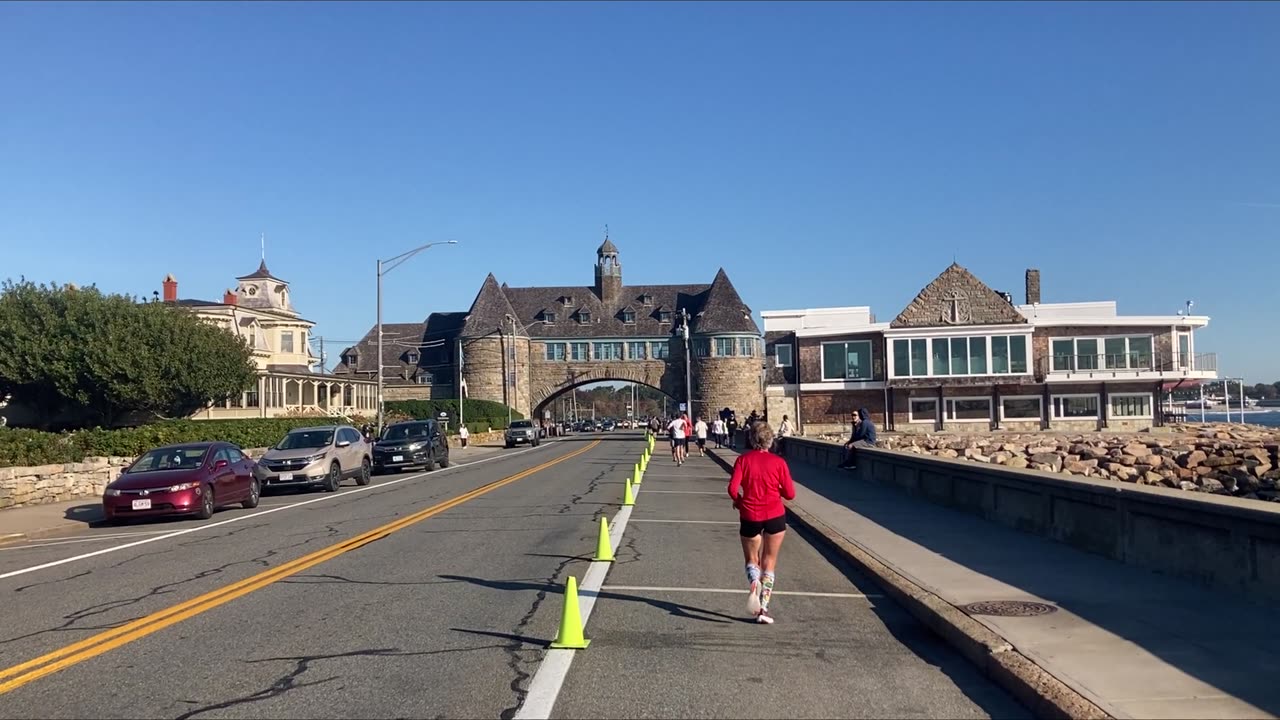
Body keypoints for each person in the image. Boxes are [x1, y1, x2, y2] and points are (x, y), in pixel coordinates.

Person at [727, 421, 796, 624]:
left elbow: (732, 489)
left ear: (751, 439)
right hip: (774, 514)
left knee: (752, 560)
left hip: (750, 514)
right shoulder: (779, 463)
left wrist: (740, 503)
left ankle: (753, 581)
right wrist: (778, 491)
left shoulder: (743, 460)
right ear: (770, 440)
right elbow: (790, 494)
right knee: (769, 563)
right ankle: (763, 609)